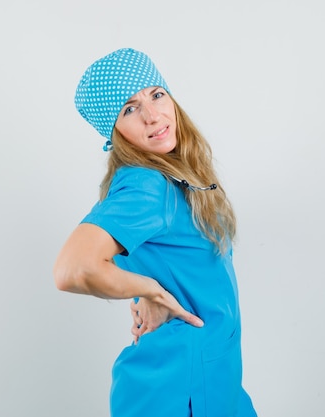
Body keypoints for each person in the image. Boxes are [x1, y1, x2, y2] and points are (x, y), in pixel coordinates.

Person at [53, 48, 257, 417]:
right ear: (114, 132)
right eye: (129, 109)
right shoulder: (148, 185)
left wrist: (144, 286)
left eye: (156, 95)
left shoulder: (176, 176)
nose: (152, 116)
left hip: (213, 377)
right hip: (181, 390)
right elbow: (72, 269)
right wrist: (151, 291)